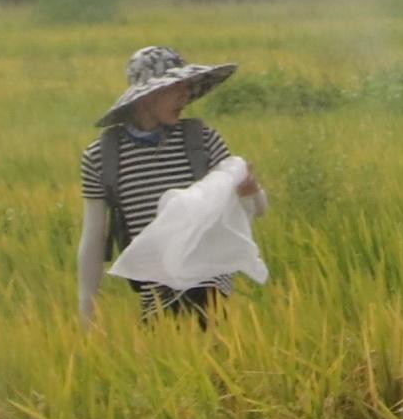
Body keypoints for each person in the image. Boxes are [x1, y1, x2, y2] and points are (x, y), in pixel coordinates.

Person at [76, 42, 265, 322]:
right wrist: (87, 307)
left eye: (187, 88)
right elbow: (93, 237)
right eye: (175, 88)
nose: (185, 96)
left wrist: (252, 191)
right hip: (155, 293)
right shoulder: (102, 157)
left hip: (209, 287)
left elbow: (258, 207)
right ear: (145, 98)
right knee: (163, 357)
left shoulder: (201, 140)